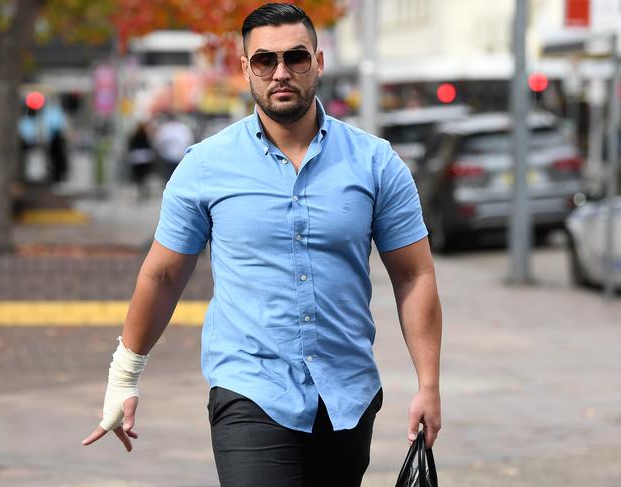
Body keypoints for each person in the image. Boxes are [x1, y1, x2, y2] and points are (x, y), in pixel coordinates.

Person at [82, 4, 442, 486]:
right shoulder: (205, 166)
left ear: (318, 61)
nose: (280, 72)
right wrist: (123, 376)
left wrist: (428, 384)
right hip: (248, 390)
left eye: (295, 57)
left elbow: (414, 274)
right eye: (264, 60)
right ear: (244, 68)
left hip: (347, 394)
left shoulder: (375, 163)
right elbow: (163, 274)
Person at [153, 113, 194, 182]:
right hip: (179, 157)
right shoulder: (183, 128)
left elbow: (158, 142)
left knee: (170, 177)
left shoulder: (165, 128)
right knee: (178, 176)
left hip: (169, 157)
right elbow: (189, 141)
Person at [126, 121, 156, 200]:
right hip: (145, 158)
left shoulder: (134, 136)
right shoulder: (146, 136)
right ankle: (144, 189)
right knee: (145, 175)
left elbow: (131, 146)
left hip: (136, 158)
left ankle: (141, 189)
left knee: (139, 175)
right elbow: (149, 146)